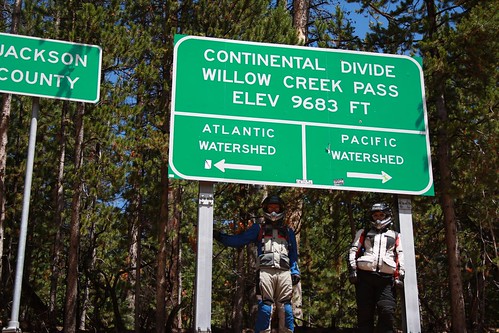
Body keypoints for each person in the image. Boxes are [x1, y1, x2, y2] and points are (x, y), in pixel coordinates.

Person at [214, 195, 300, 333]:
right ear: (265, 209)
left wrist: (295, 271)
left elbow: (293, 254)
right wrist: (220, 236)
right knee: (266, 307)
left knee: (286, 308)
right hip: (265, 272)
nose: (273, 211)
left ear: (281, 209)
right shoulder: (258, 228)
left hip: (284, 273)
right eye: (270, 208)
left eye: (276, 208)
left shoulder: (288, 231)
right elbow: (239, 240)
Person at [347, 203, 405, 333]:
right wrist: (353, 270)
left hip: (386, 280)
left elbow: (400, 255)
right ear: (371, 217)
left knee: (387, 311)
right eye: (375, 215)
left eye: (381, 215)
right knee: (365, 313)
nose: (378, 218)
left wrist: (400, 275)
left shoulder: (395, 235)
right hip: (365, 278)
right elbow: (353, 250)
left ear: (387, 216)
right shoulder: (363, 232)